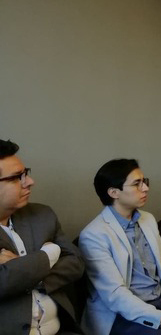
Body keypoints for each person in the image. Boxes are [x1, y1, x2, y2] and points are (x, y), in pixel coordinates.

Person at [79, 159, 161, 335]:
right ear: (114, 192)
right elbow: (116, 295)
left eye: (144, 181)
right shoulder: (94, 235)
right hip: (121, 314)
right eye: (136, 184)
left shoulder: (147, 219)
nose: (146, 188)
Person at [0, 139, 85, 335]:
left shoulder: (42, 215)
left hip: (62, 329)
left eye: (26, 173)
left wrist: (23, 270)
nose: (30, 181)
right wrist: (51, 252)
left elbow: (76, 262)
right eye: (16, 177)